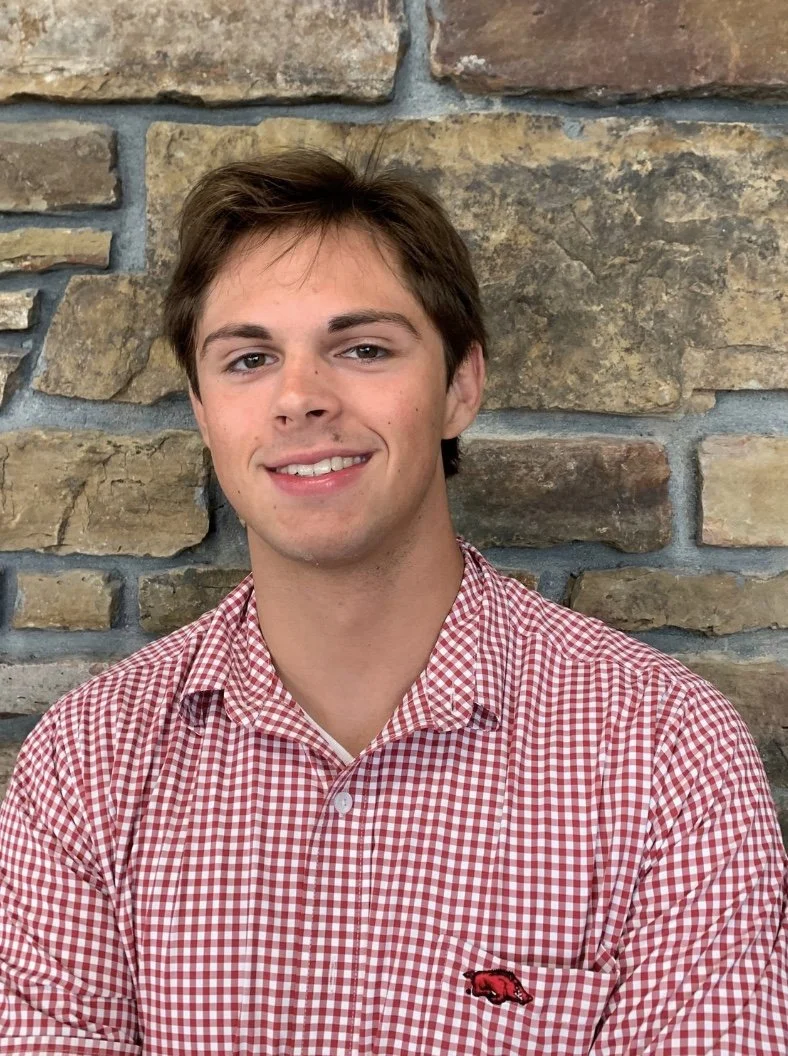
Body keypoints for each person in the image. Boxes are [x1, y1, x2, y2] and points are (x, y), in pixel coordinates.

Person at [0, 149, 786, 1056]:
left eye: (362, 349)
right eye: (249, 359)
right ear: (203, 411)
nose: (299, 399)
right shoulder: (90, 763)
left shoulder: (662, 755)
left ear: (459, 386)